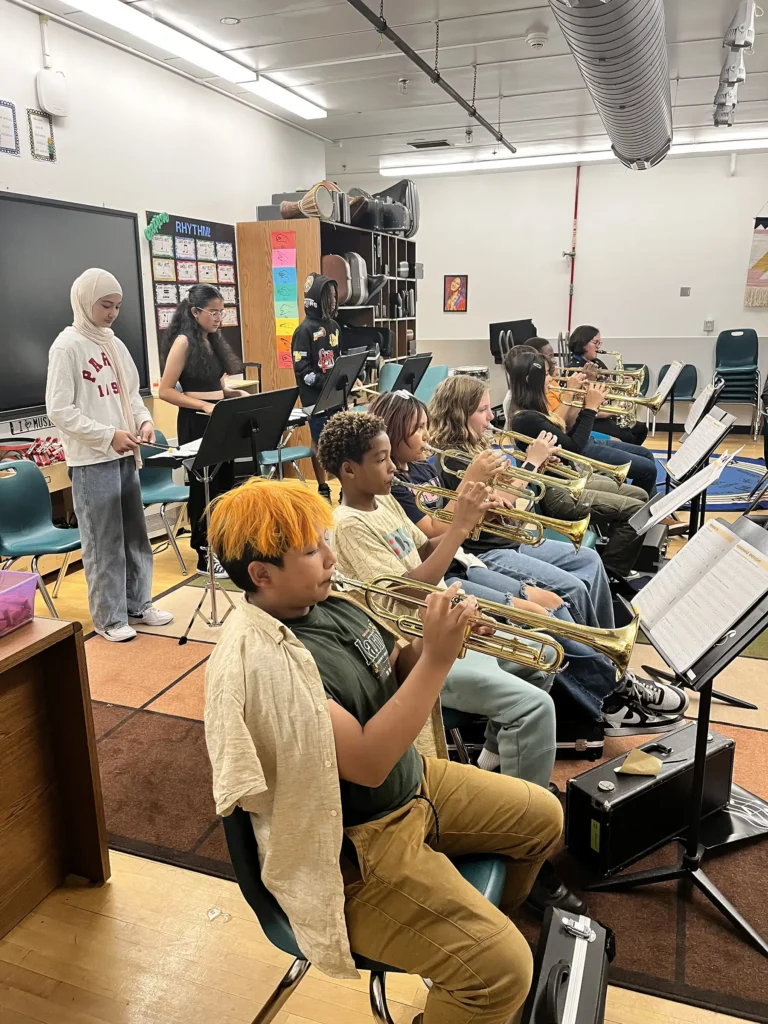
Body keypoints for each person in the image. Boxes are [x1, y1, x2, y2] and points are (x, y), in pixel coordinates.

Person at [204, 477, 568, 1024]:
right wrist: (439, 661)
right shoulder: (268, 664)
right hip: (354, 850)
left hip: (414, 783)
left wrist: (442, 635)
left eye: (326, 541)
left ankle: (468, 976)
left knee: (545, 818)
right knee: (505, 971)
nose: (331, 556)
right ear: (261, 575)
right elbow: (369, 765)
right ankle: (475, 988)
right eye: (312, 551)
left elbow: (394, 665)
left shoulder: (327, 601)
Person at [377, 388, 686, 732]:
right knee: (559, 601)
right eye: (418, 428)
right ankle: (607, 694)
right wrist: (502, 480)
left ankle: (609, 670)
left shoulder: (423, 467)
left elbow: (463, 523)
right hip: (470, 558)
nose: (427, 434)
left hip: (470, 552)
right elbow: (434, 535)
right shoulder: (410, 479)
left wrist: (496, 492)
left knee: (586, 564)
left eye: (426, 425)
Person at [317, 409, 567, 789]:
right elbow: (407, 590)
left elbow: (422, 551)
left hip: (443, 624)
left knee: (544, 656)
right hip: (414, 650)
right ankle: (527, 808)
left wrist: (472, 522)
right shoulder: (348, 523)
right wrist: (460, 526)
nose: (393, 469)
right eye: (381, 460)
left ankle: (492, 766)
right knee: (535, 707)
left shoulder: (383, 502)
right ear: (349, 470)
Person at [46, 268, 173, 642]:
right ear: (85, 302)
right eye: (105, 305)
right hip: (91, 461)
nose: (112, 313)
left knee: (136, 535)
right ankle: (110, 618)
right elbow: (59, 409)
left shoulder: (114, 343)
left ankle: (139, 603)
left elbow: (131, 394)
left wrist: (145, 421)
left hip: (125, 454)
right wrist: (106, 436)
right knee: (104, 543)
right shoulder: (67, 346)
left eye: (117, 306)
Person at [505, 349, 648, 579]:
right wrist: (590, 408)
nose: (551, 379)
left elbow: (565, 430)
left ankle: (615, 555)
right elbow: (574, 448)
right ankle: (611, 575)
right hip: (559, 493)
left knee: (641, 496)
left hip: (570, 480)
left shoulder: (534, 411)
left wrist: (577, 399)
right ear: (533, 381)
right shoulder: (526, 418)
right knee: (637, 509)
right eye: (546, 376)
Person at [158, 283, 246, 579]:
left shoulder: (213, 340)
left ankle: (223, 545)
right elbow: (166, 391)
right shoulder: (183, 342)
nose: (219, 318)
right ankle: (203, 553)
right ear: (195, 312)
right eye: (214, 312)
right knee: (203, 486)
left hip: (220, 417)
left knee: (224, 483)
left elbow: (216, 386)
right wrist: (203, 406)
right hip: (196, 421)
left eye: (222, 312)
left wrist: (233, 396)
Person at [505, 338, 658, 496]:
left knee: (646, 456)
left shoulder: (536, 399)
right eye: (545, 372)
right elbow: (566, 434)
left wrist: (582, 398)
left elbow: (565, 426)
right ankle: (642, 513)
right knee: (645, 473)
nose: (552, 368)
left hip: (573, 449)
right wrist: (585, 404)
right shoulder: (527, 413)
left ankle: (650, 509)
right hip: (572, 461)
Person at [291, 272, 343, 503]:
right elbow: (301, 368)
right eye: (327, 297)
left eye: (334, 296)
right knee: (319, 442)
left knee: (341, 440)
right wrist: (322, 381)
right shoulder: (303, 331)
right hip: (315, 398)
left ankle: (346, 486)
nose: (332, 301)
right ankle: (322, 486)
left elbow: (338, 359)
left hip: (336, 396)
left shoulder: (334, 326)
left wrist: (350, 376)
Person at [568, 325, 648, 445]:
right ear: (583, 342)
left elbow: (609, 386)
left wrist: (623, 384)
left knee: (640, 429)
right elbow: (576, 406)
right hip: (591, 418)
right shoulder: (574, 368)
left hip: (603, 412)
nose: (598, 346)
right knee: (627, 435)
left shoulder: (596, 362)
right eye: (595, 342)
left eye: (599, 343)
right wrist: (611, 412)